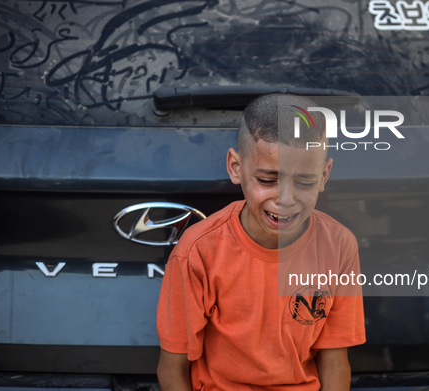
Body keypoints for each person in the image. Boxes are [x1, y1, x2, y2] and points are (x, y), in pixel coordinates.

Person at [156, 93, 366, 390]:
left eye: (304, 182)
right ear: (235, 167)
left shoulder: (339, 246)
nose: (286, 199)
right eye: (267, 180)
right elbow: (171, 368)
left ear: (324, 175)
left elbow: (334, 362)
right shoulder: (198, 251)